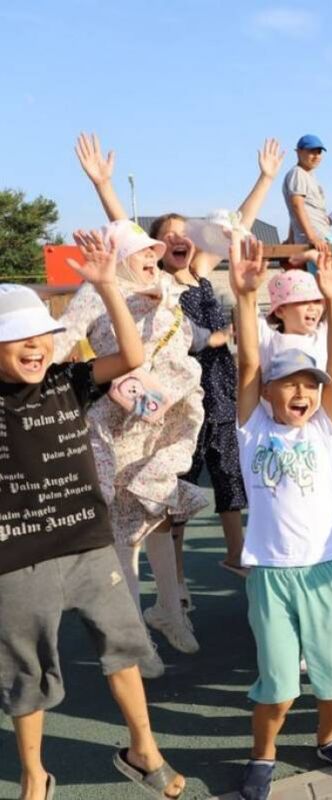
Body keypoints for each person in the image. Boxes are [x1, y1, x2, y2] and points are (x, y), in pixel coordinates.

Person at [0, 241, 187, 800]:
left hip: (86, 541)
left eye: (42, 336)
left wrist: (109, 285)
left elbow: (132, 358)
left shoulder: (65, 382)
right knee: (25, 673)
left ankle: (143, 749)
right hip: (16, 555)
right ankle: (35, 774)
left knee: (123, 644)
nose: (36, 347)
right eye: (19, 339)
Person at [75, 134, 287, 582]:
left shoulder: (200, 272)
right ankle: (176, 579)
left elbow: (240, 225)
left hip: (217, 384)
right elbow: (123, 228)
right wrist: (104, 186)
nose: (176, 238)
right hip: (171, 391)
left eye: (181, 232)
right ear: (151, 249)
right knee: (175, 484)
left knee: (228, 469)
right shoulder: (158, 284)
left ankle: (236, 553)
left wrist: (265, 178)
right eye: (164, 235)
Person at [230, 239, 332, 799]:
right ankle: (263, 756)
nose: (304, 392)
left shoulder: (322, 427)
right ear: (266, 393)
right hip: (272, 574)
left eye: (310, 386)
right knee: (279, 686)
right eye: (291, 383)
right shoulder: (252, 428)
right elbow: (247, 361)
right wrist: (244, 296)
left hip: (326, 569)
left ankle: (327, 737)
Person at [52, 219, 207, 676]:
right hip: (117, 423)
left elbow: (187, 336)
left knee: (157, 515)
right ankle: (136, 640)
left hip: (164, 420)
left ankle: (168, 612)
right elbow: (60, 339)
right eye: (143, 251)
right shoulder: (96, 291)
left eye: (153, 250)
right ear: (120, 256)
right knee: (124, 532)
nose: (152, 257)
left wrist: (211, 338)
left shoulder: (165, 287)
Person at [258, 267, 332, 596]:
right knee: (289, 508)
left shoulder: (322, 335)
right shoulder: (269, 338)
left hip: (326, 442)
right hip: (282, 442)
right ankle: (292, 575)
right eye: (302, 302)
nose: (313, 308)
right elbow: (247, 315)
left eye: (316, 302)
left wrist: (322, 259)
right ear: (279, 310)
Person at [282, 134, 332, 247]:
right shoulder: (297, 173)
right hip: (314, 241)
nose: (316, 156)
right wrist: (312, 237)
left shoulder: (309, 176)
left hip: (323, 236)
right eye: (311, 152)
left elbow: (297, 211)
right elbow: (297, 206)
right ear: (298, 152)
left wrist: (291, 238)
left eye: (319, 152)